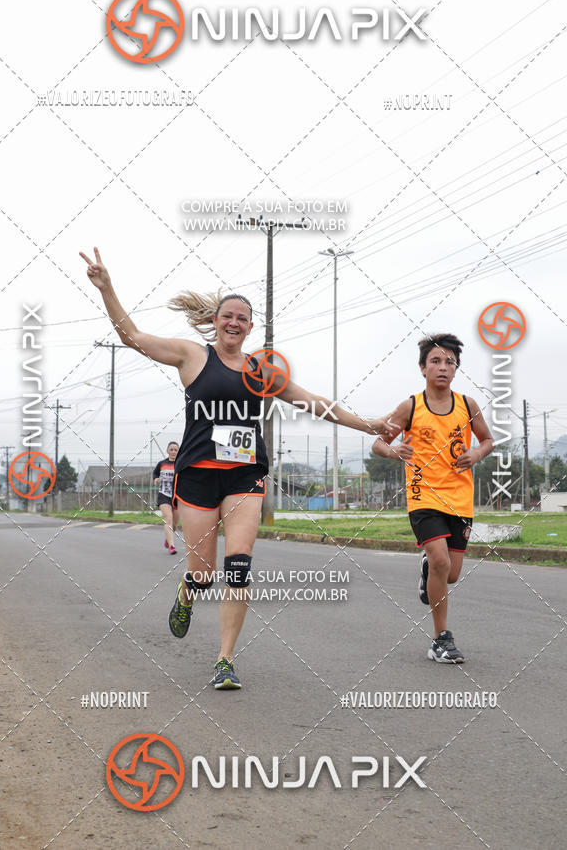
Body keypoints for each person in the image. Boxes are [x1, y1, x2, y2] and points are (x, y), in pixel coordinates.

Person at [80, 247, 395, 689]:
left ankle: (225, 660)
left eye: (243, 318)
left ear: (250, 327)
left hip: (245, 476)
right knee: (203, 574)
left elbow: (317, 404)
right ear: (216, 321)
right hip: (198, 476)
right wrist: (107, 288)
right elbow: (133, 336)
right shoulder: (192, 356)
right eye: (228, 316)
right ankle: (187, 592)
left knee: (239, 568)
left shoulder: (261, 369)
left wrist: (369, 425)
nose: (234, 323)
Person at [372, 334, 493, 664]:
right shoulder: (411, 406)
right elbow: (378, 444)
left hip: (460, 498)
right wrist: (394, 450)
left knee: (450, 574)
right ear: (422, 368)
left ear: (456, 370)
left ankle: (429, 569)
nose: (442, 367)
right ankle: (441, 639)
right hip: (423, 494)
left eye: (449, 362)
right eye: (436, 361)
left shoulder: (467, 405)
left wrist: (476, 453)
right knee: (441, 561)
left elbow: (487, 440)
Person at [153, 441, 180, 554]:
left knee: (174, 524)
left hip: (177, 496)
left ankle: (168, 539)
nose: (173, 452)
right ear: (167, 451)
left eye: (175, 450)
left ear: (178, 452)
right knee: (168, 518)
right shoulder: (162, 463)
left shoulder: (181, 463)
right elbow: (155, 474)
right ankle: (172, 546)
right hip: (164, 494)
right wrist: (156, 479)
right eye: (171, 449)